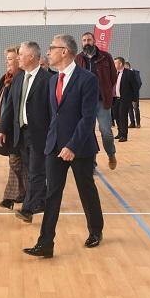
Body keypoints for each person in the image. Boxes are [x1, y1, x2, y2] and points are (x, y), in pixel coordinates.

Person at [23, 34, 104, 258]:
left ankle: (95, 231)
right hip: (55, 147)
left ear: (65, 52)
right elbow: (53, 116)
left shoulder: (87, 79)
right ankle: (45, 243)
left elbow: (88, 119)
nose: (48, 52)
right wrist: (48, 144)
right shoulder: (52, 80)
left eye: (52, 48)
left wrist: (72, 146)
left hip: (80, 147)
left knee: (86, 190)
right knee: (52, 195)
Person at [0, 42, 51, 223]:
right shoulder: (19, 78)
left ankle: (27, 209)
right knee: (30, 170)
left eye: (21, 54)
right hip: (21, 133)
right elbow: (11, 106)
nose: (18, 57)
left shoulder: (47, 80)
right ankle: (41, 202)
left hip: (40, 135)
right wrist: (3, 129)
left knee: (36, 171)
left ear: (32, 57)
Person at [0, 46, 26, 210]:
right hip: (3, 125)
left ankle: (13, 196)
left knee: (16, 161)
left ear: (18, 60)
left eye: (9, 59)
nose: (6, 62)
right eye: (7, 58)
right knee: (17, 162)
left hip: (17, 128)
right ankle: (21, 194)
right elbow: (3, 99)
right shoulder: (6, 78)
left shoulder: (23, 78)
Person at [75, 32, 117, 169]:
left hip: (102, 100)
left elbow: (113, 77)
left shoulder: (106, 57)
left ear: (94, 41)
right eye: (84, 40)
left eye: (89, 40)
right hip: (85, 102)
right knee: (88, 132)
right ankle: (91, 163)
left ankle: (111, 154)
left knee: (106, 131)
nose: (87, 42)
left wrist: (105, 89)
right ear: (82, 43)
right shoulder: (77, 59)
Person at [111, 57, 138, 142]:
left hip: (124, 99)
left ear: (121, 64)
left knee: (123, 116)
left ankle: (124, 135)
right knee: (116, 116)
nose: (114, 64)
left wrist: (134, 98)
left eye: (115, 63)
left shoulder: (129, 73)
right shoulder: (114, 73)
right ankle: (119, 133)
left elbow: (135, 86)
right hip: (115, 98)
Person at [125, 62, 142, 128]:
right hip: (128, 95)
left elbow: (139, 83)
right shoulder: (125, 73)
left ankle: (138, 123)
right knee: (129, 109)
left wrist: (134, 91)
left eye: (125, 67)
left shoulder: (135, 72)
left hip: (134, 94)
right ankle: (132, 123)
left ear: (128, 66)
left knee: (136, 108)